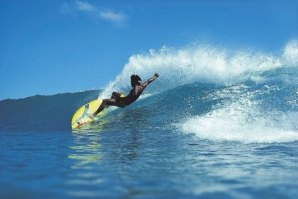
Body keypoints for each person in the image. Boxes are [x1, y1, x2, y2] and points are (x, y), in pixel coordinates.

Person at [91, 73, 159, 117]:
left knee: (105, 101)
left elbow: (133, 95)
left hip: (123, 103)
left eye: (131, 81)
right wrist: (155, 76)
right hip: (125, 100)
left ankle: (94, 114)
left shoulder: (136, 88)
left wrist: (118, 99)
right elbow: (148, 81)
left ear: (134, 82)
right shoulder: (142, 86)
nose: (130, 83)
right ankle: (108, 106)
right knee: (114, 93)